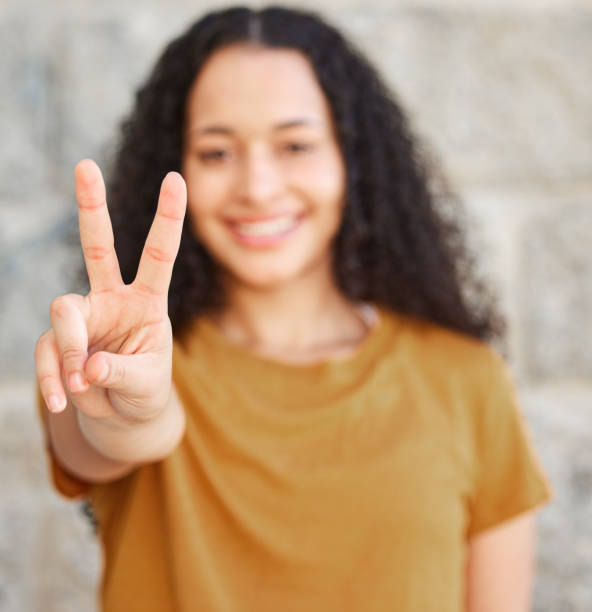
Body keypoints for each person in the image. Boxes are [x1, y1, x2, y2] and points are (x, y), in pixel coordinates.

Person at [35, 6, 552, 612]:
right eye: (217, 153)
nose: (257, 186)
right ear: (173, 171)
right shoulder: (125, 366)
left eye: (295, 145)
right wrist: (123, 404)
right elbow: (123, 430)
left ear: (352, 162)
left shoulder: (466, 381)